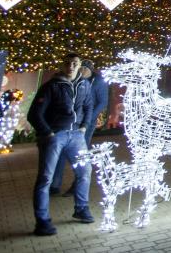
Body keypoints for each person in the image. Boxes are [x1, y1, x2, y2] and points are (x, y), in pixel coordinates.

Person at [27, 53, 94, 235]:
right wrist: (48, 133)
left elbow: (89, 106)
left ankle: (82, 208)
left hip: (76, 136)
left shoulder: (84, 85)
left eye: (75, 63)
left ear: (79, 65)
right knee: (45, 178)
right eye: (67, 63)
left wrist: (84, 127)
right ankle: (42, 221)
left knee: (85, 171)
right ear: (62, 65)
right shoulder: (51, 86)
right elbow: (34, 114)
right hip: (55, 136)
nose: (71, 66)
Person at [52, 60, 109, 196]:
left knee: (80, 155)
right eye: (81, 68)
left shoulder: (98, 81)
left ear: (91, 70)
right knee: (61, 153)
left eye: (85, 69)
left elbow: (102, 102)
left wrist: (88, 119)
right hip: (70, 122)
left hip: (86, 124)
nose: (82, 71)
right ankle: (54, 185)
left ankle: (77, 186)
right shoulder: (73, 80)